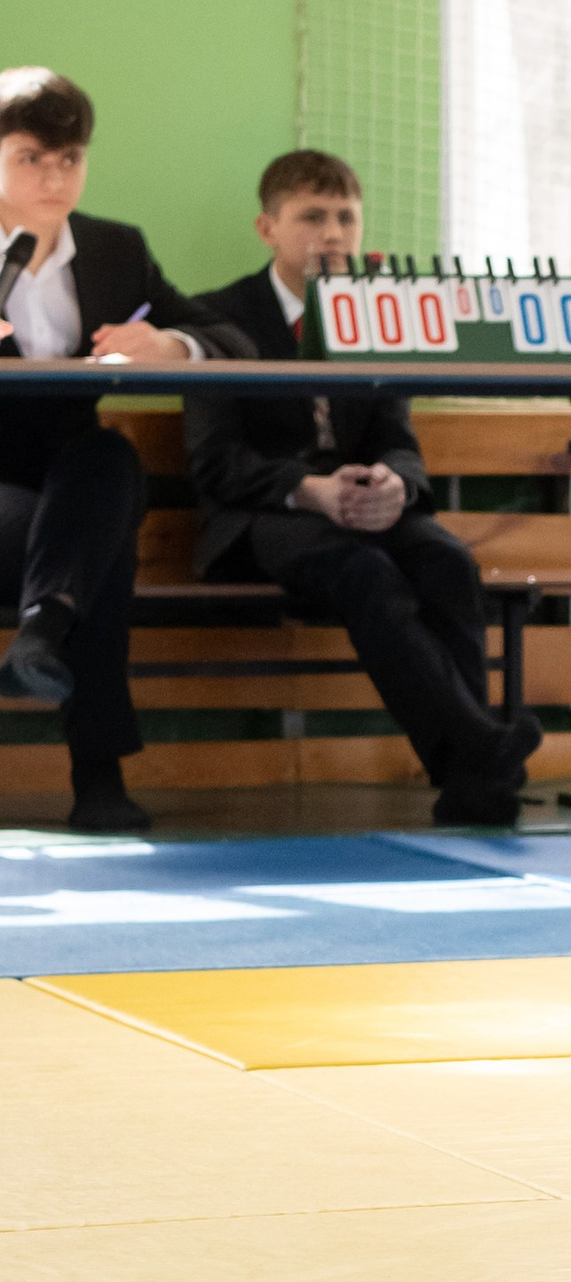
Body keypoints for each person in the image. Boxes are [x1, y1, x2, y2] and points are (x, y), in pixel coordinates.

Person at [183, 149, 540, 826]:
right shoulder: (216, 318)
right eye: (312, 216)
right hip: (266, 517)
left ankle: (472, 780)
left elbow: (397, 439)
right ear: (268, 228)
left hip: (364, 505)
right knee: (365, 571)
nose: (333, 234)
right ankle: (480, 746)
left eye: (346, 216)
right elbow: (216, 464)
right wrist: (311, 488)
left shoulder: (373, 316)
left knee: (445, 560)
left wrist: (395, 486)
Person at [0, 65, 251, 833]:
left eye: (69, 159)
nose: (53, 177)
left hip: (74, 478)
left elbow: (231, 340)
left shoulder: (114, 251)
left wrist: (170, 345)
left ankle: (45, 624)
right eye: (30, 158)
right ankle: (97, 776)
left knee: (109, 465)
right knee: (99, 550)